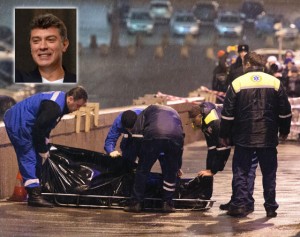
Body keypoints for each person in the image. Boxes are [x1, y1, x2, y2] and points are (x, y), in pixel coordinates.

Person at [219, 51, 292, 218]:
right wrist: (284, 131)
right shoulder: (275, 82)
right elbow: (285, 111)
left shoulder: (237, 83)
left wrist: (225, 134)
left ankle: (239, 205)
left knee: (241, 172)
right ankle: (270, 207)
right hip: (268, 137)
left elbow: (227, 114)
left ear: (247, 65)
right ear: (263, 65)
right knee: (269, 173)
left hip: (243, 137)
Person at [3, 86, 88, 207]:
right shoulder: (54, 107)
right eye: (78, 106)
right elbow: (39, 129)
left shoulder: (61, 102)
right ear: (70, 99)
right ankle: (34, 196)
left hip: (26, 122)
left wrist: (45, 140)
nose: (77, 109)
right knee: (28, 156)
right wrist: (43, 148)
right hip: (19, 122)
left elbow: (46, 124)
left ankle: (37, 189)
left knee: (36, 157)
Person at [124, 104, 185, 213]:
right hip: (175, 138)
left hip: (153, 135)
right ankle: (167, 204)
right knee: (171, 172)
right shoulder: (174, 113)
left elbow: (137, 135)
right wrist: (177, 166)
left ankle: (136, 203)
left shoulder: (147, 111)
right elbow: (180, 147)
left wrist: (133, 159)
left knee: (143, 170)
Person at [15, 13, 76, 83]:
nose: (43, 47)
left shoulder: (77, 81)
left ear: (64, 45)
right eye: (36, 41)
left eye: (50, 40)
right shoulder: (18, 79)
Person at [188, 102, 231, 178]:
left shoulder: (214, 122)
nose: (193, 125)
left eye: (194, 121)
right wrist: (208, 169)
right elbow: (211, 147)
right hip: (226, 123)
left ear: (199, 116)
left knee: (240, 166)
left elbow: (223, 147)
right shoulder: (202, 113)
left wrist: (213, 171)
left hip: (242, 128)